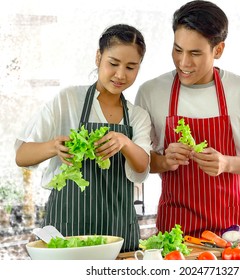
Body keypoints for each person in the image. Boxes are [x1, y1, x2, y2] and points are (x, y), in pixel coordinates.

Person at [135, 0, 240, 237]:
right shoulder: (151, 92)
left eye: (195, 53)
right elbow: (138, 161)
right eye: (178, 50)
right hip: (177, 228)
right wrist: (164, 161)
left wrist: (227, 163)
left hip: (234, 226)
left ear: (218, 50)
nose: (184, 63)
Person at [15, 24, 151, 252]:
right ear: (98, 57)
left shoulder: (137, 115)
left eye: (131, 67)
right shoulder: (68, 100)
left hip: (117, 231)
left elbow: (142, 166)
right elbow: (22, 156)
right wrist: (53, 147)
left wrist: (125, 142)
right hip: (67, 229)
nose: (120, 74)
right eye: (113, 63)